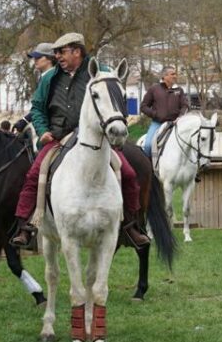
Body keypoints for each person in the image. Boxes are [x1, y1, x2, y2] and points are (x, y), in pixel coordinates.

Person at [8, 32, 149, 249]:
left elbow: (114, 100)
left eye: (61, 52)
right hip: (58, 137)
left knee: (129, 174)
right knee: (34, 175)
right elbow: (37, 108)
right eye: (55, 52)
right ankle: (25, 227)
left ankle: (130, 226)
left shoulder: (100, 73)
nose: (57, 56)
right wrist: (43, 129)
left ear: (77, 51)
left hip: (94, 137)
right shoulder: (49, 77)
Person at [141, 67, 188, 159]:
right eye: (172, 74)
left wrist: (181, 116)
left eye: (175, 74)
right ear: (164, 76)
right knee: (147, 146)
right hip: (157, 124)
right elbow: (143, 106)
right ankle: (149, 169)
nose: (175, 76)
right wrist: (155, 114)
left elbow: (185, 106)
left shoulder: (179, 90)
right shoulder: (154, 89)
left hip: (175, 124)